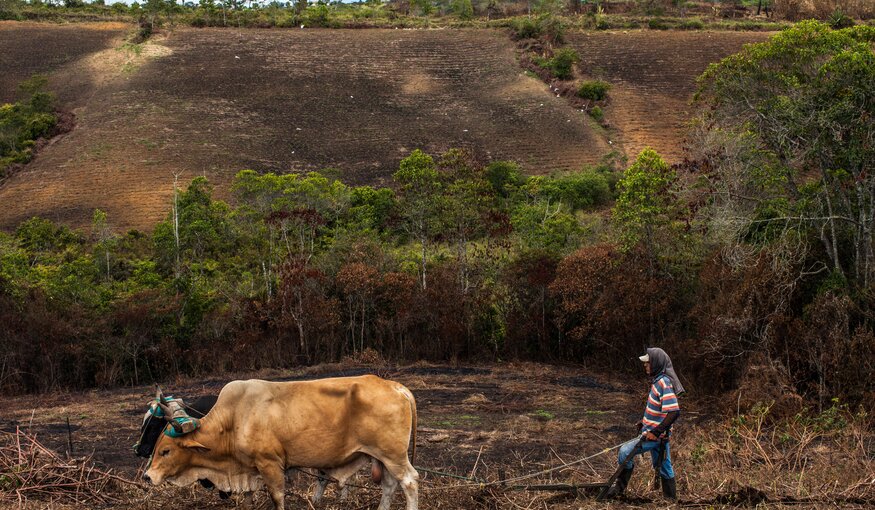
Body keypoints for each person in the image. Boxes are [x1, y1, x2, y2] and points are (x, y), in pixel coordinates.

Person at [606, 347, 684, 500]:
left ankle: (618, 489)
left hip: (655, 436)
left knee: (624, 452)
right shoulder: (657, 381)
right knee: (664, 467)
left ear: (656, 364)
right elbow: (660, 409)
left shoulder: (663, 382)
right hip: (656, 434)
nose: (645, 365)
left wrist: (654, 432)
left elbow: (674, 411)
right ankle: (671, 501)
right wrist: (644, 422)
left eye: (648, 362)